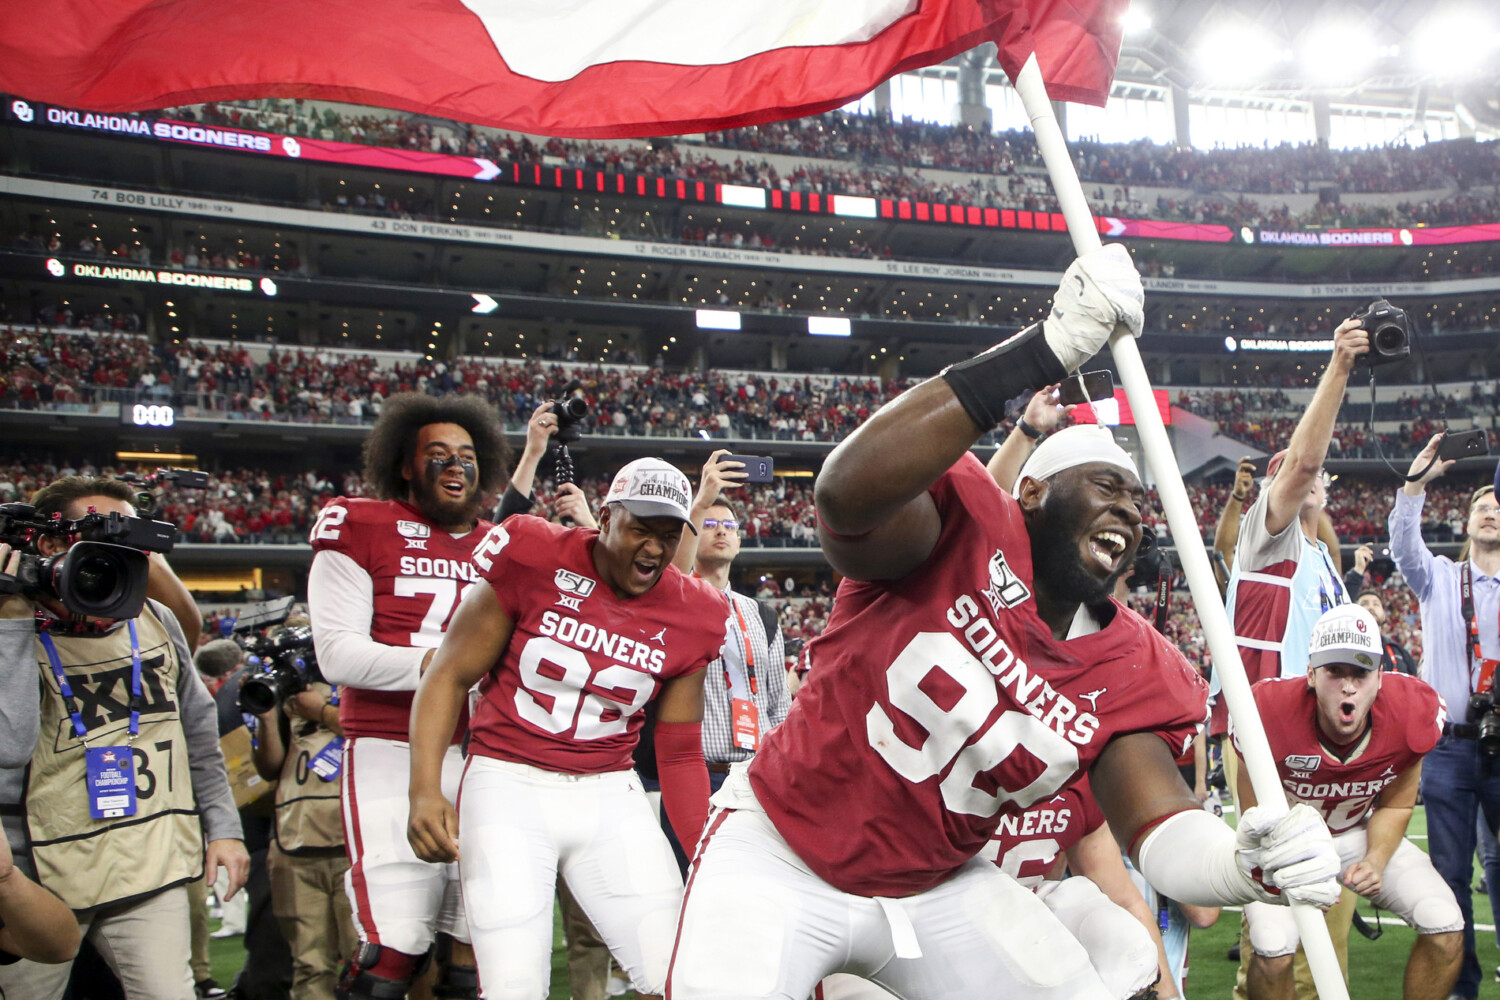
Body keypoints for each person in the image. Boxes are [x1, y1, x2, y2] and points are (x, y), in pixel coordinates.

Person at [665, 245, 1342, 1000]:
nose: (1128, 508)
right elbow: (844, 495)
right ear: (1032, 494)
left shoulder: (1135, 664)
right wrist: (1041, 351)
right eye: (1107, 485)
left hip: (936, 883)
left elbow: (1156, 824)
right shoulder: (955, 528)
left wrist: (1240, 866)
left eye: (1138, 500)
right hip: (780, 850)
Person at [407, 456, 729, 1000]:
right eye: (640, 530)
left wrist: (700, 850)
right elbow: (447, 674)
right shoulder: (535, 554)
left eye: (669, 535)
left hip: (609, 789)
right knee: (512, 985)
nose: (653, 548)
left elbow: (677, 751)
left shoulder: (696, 611)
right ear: (604, 518)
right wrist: (424, 788)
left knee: (682, 973)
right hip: (507, 779)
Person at [0, 477, 248, 1000]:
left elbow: (199, 733)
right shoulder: (12, 628)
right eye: (99, 541)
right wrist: (12, 622)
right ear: (49, 544)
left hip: (147, 861)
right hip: (43, 873)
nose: (117, 559)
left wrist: (224, 828)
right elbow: (8, 747)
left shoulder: (156, 620)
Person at [307, 393, 510, 1000]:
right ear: (404, 463)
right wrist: (445, 666)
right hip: (389, 746)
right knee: (394, 949)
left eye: (468, 456)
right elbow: (337, 654)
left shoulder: (504, 544)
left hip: (487, 757)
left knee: (482, 947)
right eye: (439, 454)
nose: (455, 466)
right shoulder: (360, 523)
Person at [1220, 321, 1370, 998]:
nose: (1305, 474)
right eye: (1289, 469)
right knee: (1278, 934)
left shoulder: (1319, 564)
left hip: (1330, 739)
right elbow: (1305, 465)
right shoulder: (1265, 544)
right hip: (1269, 740)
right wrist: (1340, 365)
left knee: (1326, 923)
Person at [1233, 603, 1462, 1000]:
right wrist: (1298, 872)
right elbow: (1257, 818)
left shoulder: (1411, 714)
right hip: (1281, 846)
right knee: (1272, 948)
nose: (1349, 686)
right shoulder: (1267, 713)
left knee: (1444, 924)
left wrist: (1374, 859)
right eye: (1335, 671)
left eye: (1360, 672)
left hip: (1351, 833)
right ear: (1310, 674)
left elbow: (1395, 805)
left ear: (1380, 678)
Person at [1388, 435, 1500, 1000]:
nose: (1490, 512)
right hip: (1451, 749)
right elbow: (1402, 546)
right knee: (1451, 874)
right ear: (1466, 521)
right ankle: (1462, 985)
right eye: (1482, 506)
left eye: (1498, 506)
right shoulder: (1436, 578)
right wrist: (1415, 484)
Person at [663, 451, 791, 871]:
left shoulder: (762, 615)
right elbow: (671, 581)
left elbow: (777, 705)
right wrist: (701, 501)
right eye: (711, 525)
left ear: (740, 539)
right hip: (696, 772)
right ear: (695, 532)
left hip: (755, 777)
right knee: (693, 886)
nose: (721, 532)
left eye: (729, 526)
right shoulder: (675, 599)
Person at [250, 631, 358, 1000]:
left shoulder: (358, 677)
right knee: (310, 966)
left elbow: (371, 730)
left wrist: (321, 712)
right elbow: (269, 769)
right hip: (294, 843)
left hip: (354, 845)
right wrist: (266, 720)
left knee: (365, 965)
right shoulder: (285, 695)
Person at [1354, 587, 1419, 676]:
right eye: (1364, 604)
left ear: (1384, 615)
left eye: (1376, 604)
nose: (1370, 607)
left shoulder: (1399, 652)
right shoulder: (1344, 649)